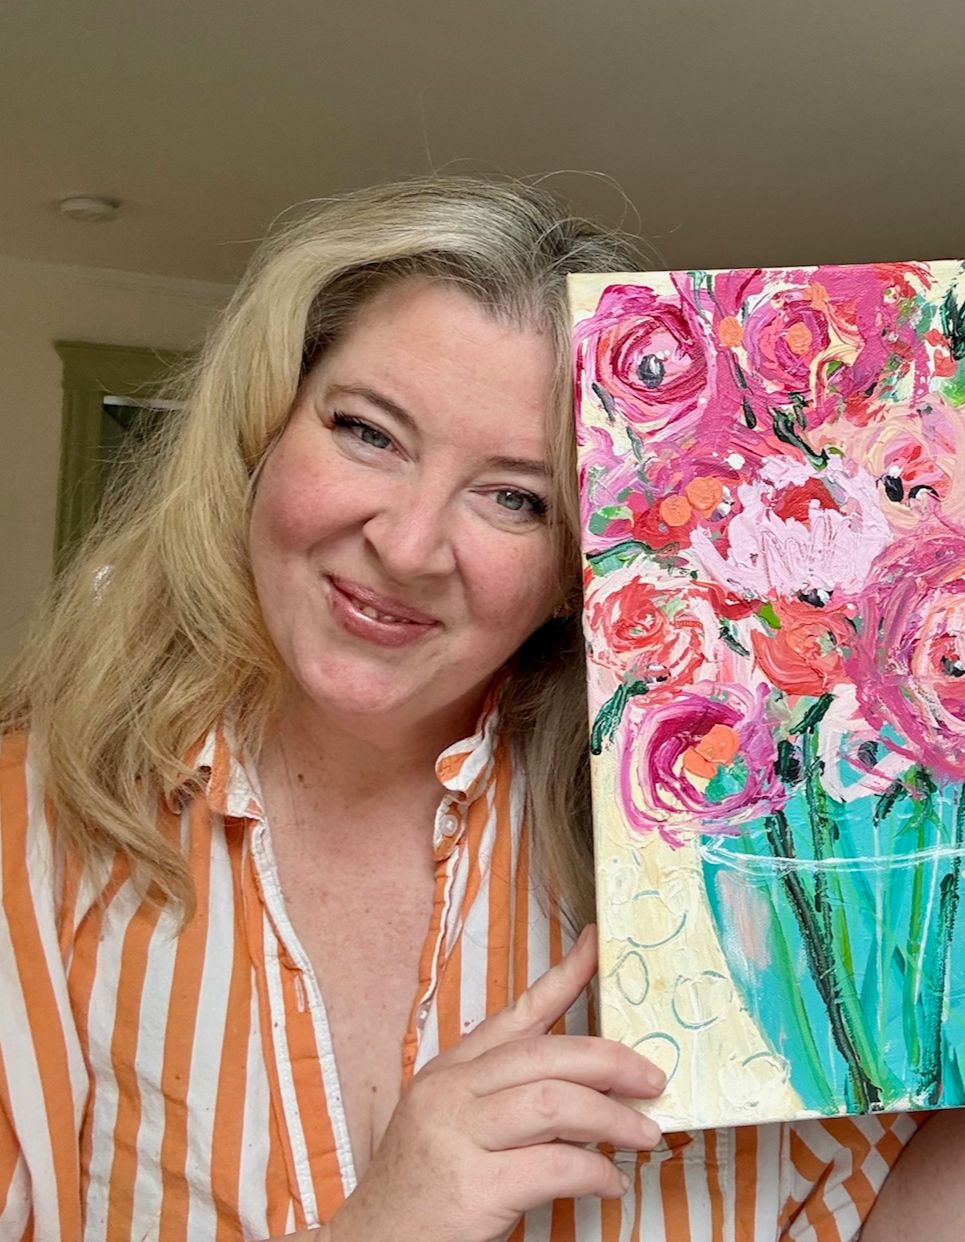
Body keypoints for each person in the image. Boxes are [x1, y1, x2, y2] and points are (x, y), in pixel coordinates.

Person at [0, 177, 931, 1241]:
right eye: (368, 433)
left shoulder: (744, 867)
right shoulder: (25, 832)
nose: (406, 548)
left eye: (515, 497)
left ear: (579, 565)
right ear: (259, 435)